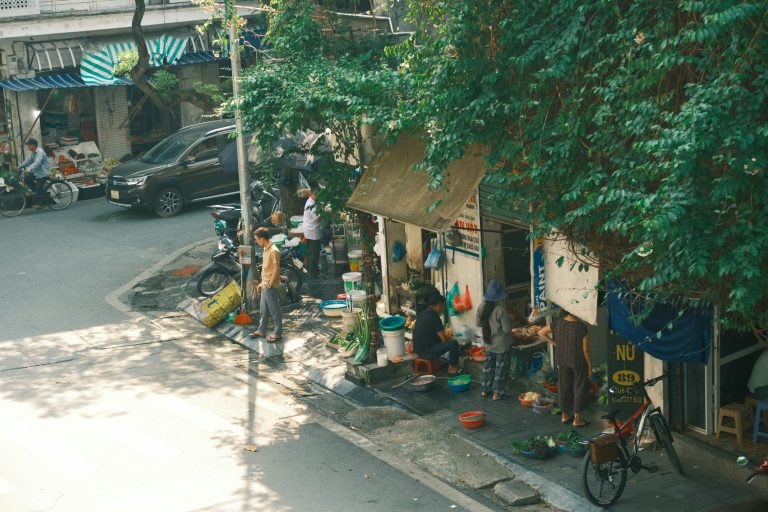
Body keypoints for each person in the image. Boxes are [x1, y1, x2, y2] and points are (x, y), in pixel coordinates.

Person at [538, 310, 593, 427]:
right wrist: (590, 366)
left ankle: (564, 415)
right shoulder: (581, 327)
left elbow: (541, 332)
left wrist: (554, 343)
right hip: (578, 361)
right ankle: (577, 418)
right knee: (579, 387)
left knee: (564, 386)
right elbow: (585, 350)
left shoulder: (557, 323)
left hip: (562, 360)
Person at [476, 280, 514, 400]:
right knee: (501, 368)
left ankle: (485, 390)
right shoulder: (500, 310)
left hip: (488, 342)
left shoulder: (481, 306)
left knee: (489, 366)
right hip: (502, 344)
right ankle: (497, 393)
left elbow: (478, 323)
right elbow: (507, 329)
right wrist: (510, 319)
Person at [412, 293, 462, 375]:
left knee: (436, 340)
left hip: (417, 349)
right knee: (453, 343)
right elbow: (444, 340)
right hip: (426, 351)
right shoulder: (434, 317)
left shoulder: (422, 313)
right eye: (442, 306)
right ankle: (452, 368)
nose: (443, 309)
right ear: (439, 305)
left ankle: (438, 362)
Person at [250, 227, 282, 342]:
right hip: (265, 284)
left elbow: (276, 270)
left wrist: (270, 284)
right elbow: (267, 269)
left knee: (275, 310)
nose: (257, 242)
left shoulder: (274, 250)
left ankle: (278, 333)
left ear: (262, 238)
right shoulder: (265, 248)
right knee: (263, 309)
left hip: (270, 285)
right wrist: (261, 284)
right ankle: (261, 330)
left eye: (257, 240)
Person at [18, 138, 50, 209]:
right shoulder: (33, 153)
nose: (28, 147)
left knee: (38, 188)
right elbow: (28, 161)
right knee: (27, 179)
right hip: (37, 172)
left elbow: (37, 163)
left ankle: (40, 204)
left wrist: (28, 169)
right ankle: (38, 190)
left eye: (29, 145)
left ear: (33, 145)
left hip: (43, 173)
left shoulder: (40, 152)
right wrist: (19, 167)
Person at [302, 188, 322, 277]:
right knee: (313, 253)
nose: (318, 196)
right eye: (316, 194)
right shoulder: (310, 204)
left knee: (313, 252)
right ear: (311, 194)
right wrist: (324, 214)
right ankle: (313, 272)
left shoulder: (312, 202)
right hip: (312, 231)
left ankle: (313, 270)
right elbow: (318, 218)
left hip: (311, 230)